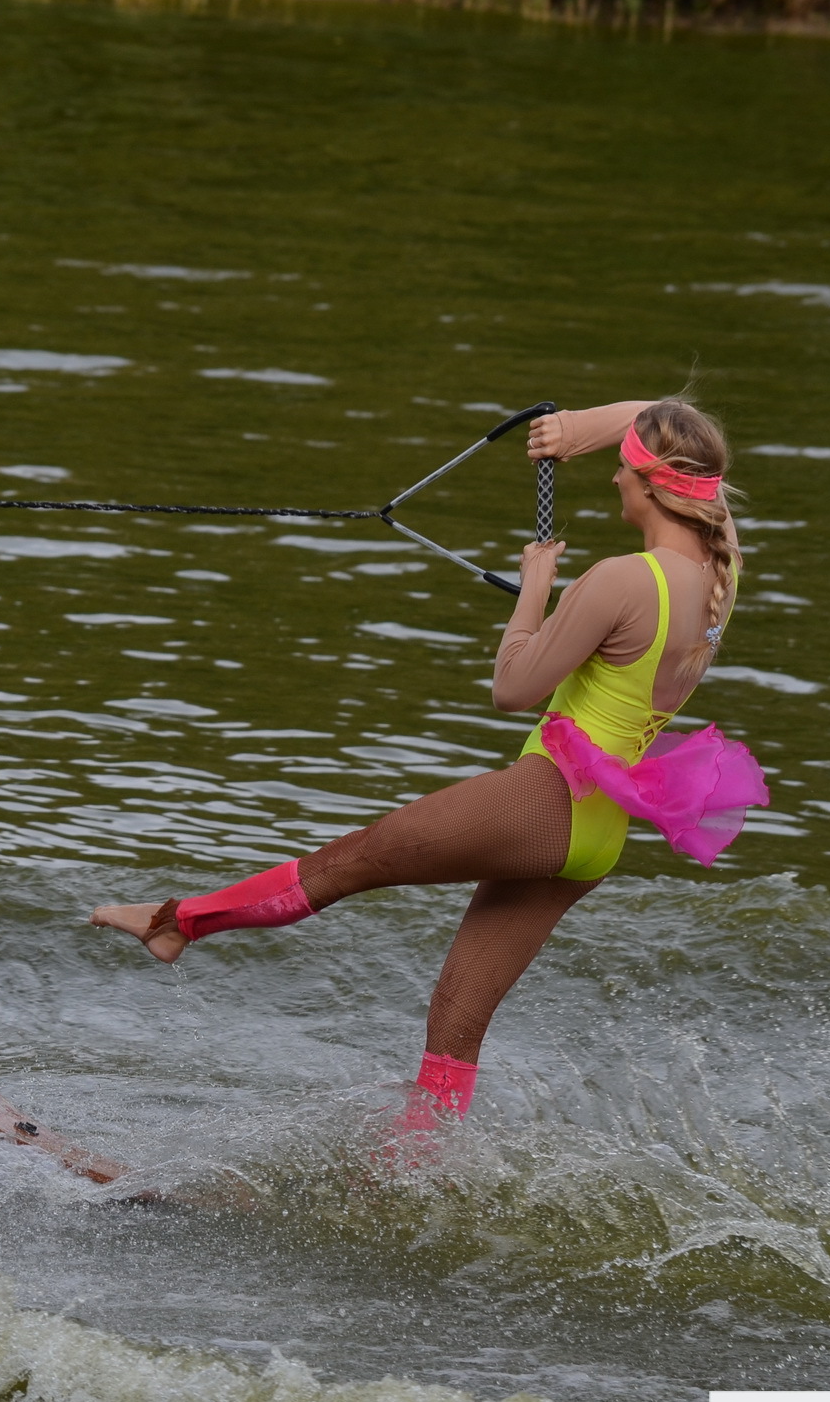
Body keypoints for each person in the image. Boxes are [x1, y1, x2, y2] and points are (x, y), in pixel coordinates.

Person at [91, 397, 768, 1124]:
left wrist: (535, 589)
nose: (613, 479)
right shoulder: (721, 571)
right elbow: (674, 411)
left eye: (622, 467)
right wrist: (574, 433)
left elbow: (512, 689)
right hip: (599, 836)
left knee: (351, 861)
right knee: (456, 1022)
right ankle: (420, 1167)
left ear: (652, 481)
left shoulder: (622, 579)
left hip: (545, 802)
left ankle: (176, 924)